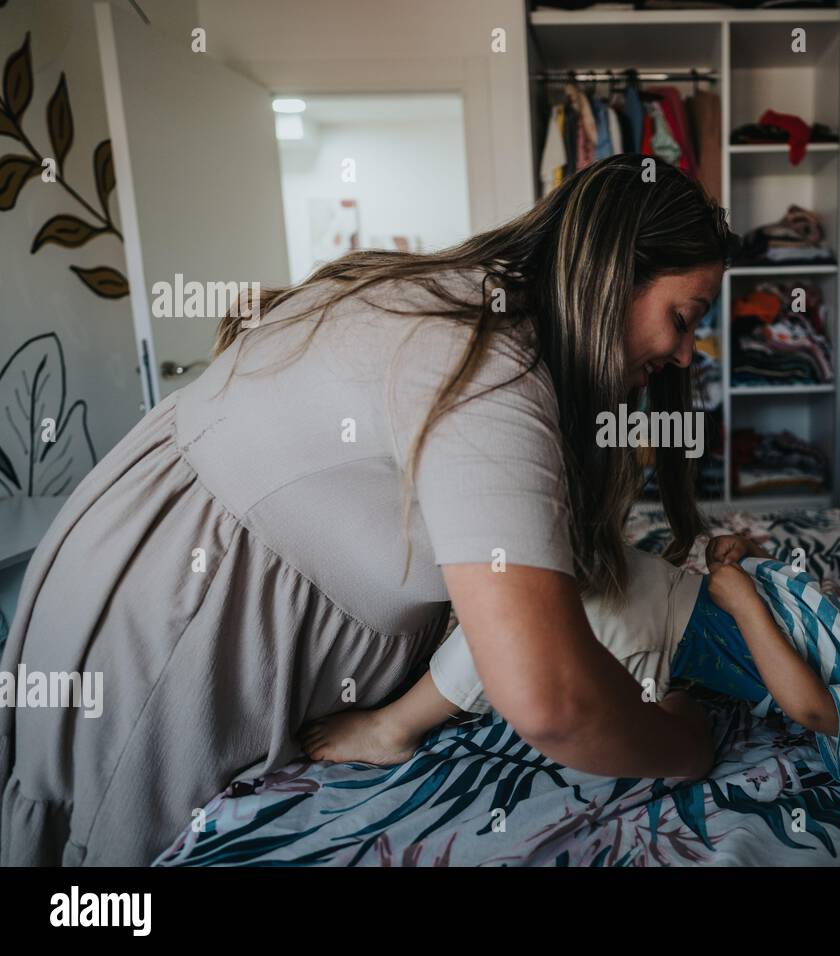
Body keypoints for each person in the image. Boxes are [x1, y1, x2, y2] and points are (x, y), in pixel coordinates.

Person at [0, 155, 737, 866]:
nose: (683, 354)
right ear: (613, 275)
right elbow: (552, 701)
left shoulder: (468, 304)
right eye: (685, 316)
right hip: (174, 623)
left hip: (167, 568)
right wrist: (684, 741)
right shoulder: (487, 361)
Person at [305, 533, 840, 780]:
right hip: (692, 602)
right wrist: (750, 563)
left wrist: (741, 600)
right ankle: (664, 701)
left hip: (687, 620)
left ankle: (395, 725)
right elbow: (815, 629)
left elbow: (808, 708)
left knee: (529, 604)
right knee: (553, 552)